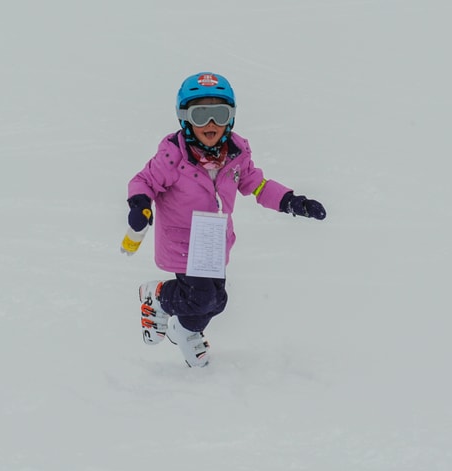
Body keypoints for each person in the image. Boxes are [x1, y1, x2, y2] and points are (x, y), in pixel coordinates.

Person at [124, 72, 326, 367]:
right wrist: (140, 203)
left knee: (217, 301)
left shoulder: (237, 155)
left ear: (230, 117)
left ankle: (184, 329)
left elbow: (258, 185)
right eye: (200, 114)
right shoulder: (172, 157)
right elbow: (145, 181)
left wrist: (291, 201)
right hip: (181, 244)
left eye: (219, 114)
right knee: (201, 298)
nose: (210, 124)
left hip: (213, 244)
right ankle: (158, 295)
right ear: (185, 117)